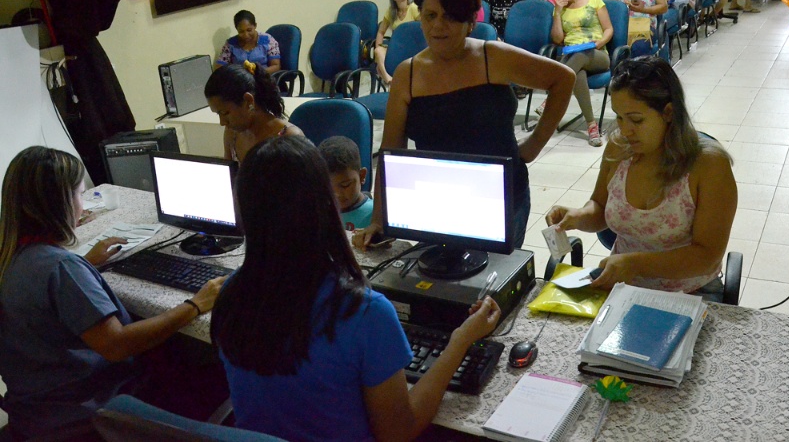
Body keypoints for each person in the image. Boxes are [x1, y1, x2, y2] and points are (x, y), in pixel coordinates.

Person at [212, 136, 501, 441]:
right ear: (325, 205)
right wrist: (461, 339)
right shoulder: (364, 313)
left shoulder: (230, 294)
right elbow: (399, 432)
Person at [0, 146, 225, 437]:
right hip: (87, 410)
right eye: (80, 195)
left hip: (35, 409)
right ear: (59, 203)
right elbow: (117, 345)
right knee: (206, 365)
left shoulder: (11, 257)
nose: (84, 206)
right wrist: (194, 305)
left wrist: (83, 264)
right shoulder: (61, 269)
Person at [353, 0, 575, 250]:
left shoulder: (491, 56)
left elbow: (563, 79)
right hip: (438, 203)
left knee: (492, 285)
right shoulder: (407, 75)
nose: (437, 27)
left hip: (502, 198)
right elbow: (390, 153)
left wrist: (533, 145)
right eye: (430, 16)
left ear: (470, 21)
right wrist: (378, 219)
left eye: (450, 17)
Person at [545, 56, 737, 293]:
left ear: (668, 112)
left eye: (636, 119)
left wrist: (634, 264)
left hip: (690, 290)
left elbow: (706, 256)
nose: (625, 130)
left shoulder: (708, 166)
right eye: (619, 117)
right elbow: (600, 207)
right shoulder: (619, 148)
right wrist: (578, 216)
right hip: (623, 283)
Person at [549, 0, 614, 147]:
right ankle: (592, 126)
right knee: (578, 74)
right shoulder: (561, 9)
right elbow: (557, 39)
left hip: (597, 54)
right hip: (572, 56)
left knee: (581, 53)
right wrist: (557, 12)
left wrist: (600, 42)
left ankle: (554, 93)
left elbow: (609, 29)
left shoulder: (594, 2)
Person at [204, 62, 304, 163]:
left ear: (248, 101)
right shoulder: (232, 133)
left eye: (225, 113)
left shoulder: (288, 138)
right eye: (218, 114)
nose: (222, 122)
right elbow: (230, 174)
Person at [317, 135, 372, 232]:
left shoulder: (376, 215)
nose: (337, 194)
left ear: (362, 176)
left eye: (345, 185)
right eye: (327, 187)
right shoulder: (318, 211)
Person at [374, 0, 420, 86]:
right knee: (378, 51)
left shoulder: (414, 8)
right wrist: (378, 52)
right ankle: (389, 80)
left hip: (413, 48)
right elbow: (381, 32)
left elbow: (424, 29)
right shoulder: (391, 11)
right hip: (397, 47)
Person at [216, 10, 281, 75]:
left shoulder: (267, 40)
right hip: (240, 80)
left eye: (249, 30)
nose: (246, 35)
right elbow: (219, 69)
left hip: (263, 79)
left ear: (255, 26)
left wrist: (257, 72)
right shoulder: (230, 44)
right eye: (241, 32)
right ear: (236, 29)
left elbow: (276, 66)